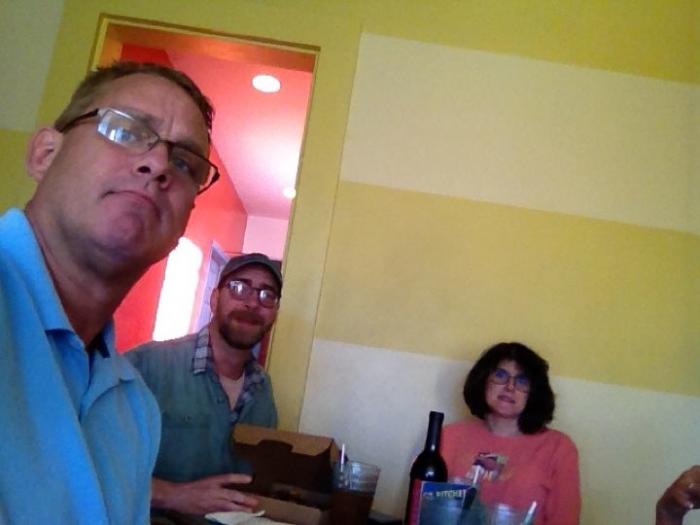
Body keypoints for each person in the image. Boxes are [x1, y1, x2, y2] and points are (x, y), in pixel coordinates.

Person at [0, 61, 221, 523]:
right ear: (45, 154)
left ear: (183, 223)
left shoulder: (135, 410)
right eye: (125, 130)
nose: (158, 164)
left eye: (184, 162)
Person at [126, 252, 282, 516]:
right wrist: (172, 495)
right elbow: (89, 464)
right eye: (239, 288)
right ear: (215, 298)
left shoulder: (263, 388)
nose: (253, 302)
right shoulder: (145, 366)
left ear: (275, 313)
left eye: (267, 295)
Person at [441, 342, 580, 525]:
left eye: (522, 380)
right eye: (500, 375)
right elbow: (423, 506)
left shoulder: (558, 448)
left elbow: (565, 520)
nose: (510, 386)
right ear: (483, 380)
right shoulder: (450, 436)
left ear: (534, 392)